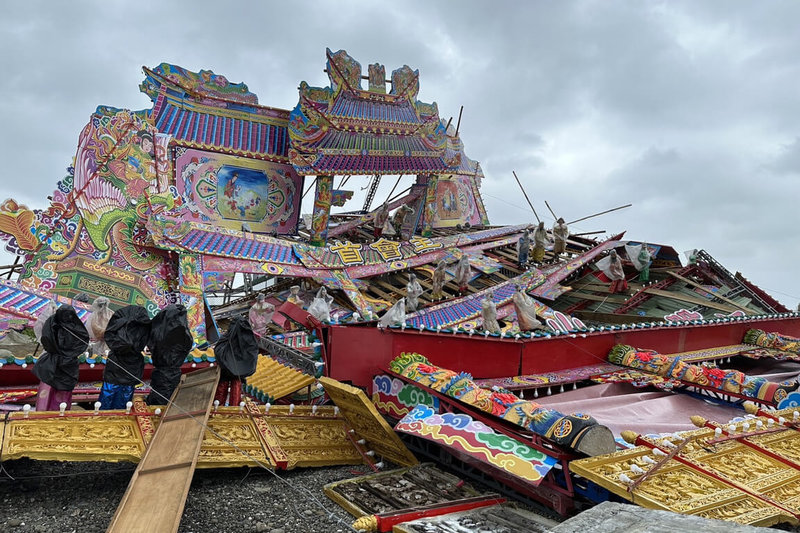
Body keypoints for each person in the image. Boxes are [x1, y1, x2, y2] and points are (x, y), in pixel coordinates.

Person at [33, 305, 89, 411]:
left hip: (66, 364)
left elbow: (81, 343)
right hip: (55, 362)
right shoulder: (53, 325)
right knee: (48, 390)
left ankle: (59, 413)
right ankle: (44, 412)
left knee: (62, 392)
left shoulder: (75, 328)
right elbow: (46, 339)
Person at [98, 306, 152, 410]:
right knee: (124, 398)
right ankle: (118, 418)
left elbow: (110, 337)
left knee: (108, 395)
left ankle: (102, 417)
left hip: (116, 365)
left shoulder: (118, 326)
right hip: (130, 365)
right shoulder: (141, 328)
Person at [145, 305, 193, 405]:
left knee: (160, 398)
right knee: (171, 398)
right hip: (174, 372)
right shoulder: (184, 332)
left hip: (162, 371)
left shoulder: (162, 332)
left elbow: (153, 343)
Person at [213, 316, 259, 406]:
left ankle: (218, 406)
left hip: (225, 371)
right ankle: (234, 407)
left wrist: (226, 362)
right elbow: (252, 353)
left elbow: (218, 350)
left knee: (222, 388)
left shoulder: (227, 337)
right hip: (239, 373)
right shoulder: (249, 339)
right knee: (236, 387)